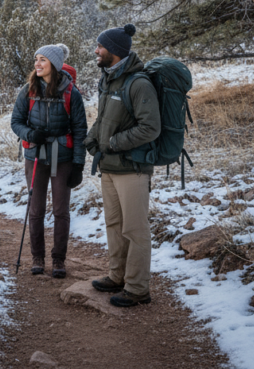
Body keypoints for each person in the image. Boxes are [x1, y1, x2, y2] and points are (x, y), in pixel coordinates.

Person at [86, 24, 161, 307]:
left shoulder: (138, 83)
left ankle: (138, 288)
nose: (96, 50)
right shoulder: (108, 79)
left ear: (115, 52)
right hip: (110, 168)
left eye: (100, 47)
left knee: (135, 229)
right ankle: (117, 277)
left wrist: (114, 143)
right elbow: (103, 119)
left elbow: (150, 128)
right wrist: (92, 141)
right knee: (114, 225)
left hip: (133, 169)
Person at [10, 44, 88, 278]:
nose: (37, 64)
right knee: (36, 210)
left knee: (61, 211)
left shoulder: (70, 93)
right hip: (35, 156)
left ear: (53, 63)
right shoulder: (28, 89)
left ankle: (58, 260)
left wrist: (78, 164)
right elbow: (16, 121)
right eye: (36, 59)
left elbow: (80, 130)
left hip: (62, 157)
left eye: (42, 59)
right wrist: (29, 134)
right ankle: (37, 257)